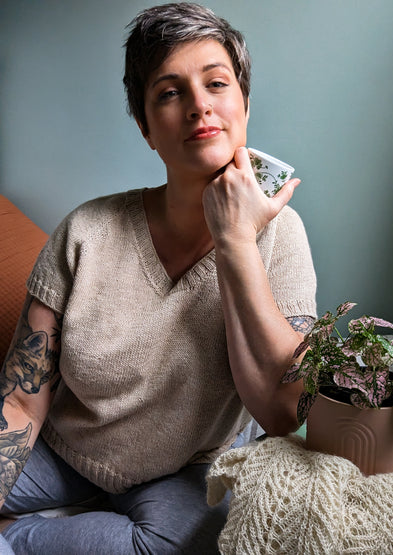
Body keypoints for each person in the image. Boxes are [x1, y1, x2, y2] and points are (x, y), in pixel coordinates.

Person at [0, 3, 316, 553]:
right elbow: (24, 400)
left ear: (243, 102)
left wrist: (236, 242)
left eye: (216, 83)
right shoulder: (86, 230)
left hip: (183, 470)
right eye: (169, 93)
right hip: (65, 450)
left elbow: (283, 412)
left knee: (177, 542)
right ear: (147, 128)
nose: (199, 105)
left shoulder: (281, 235)